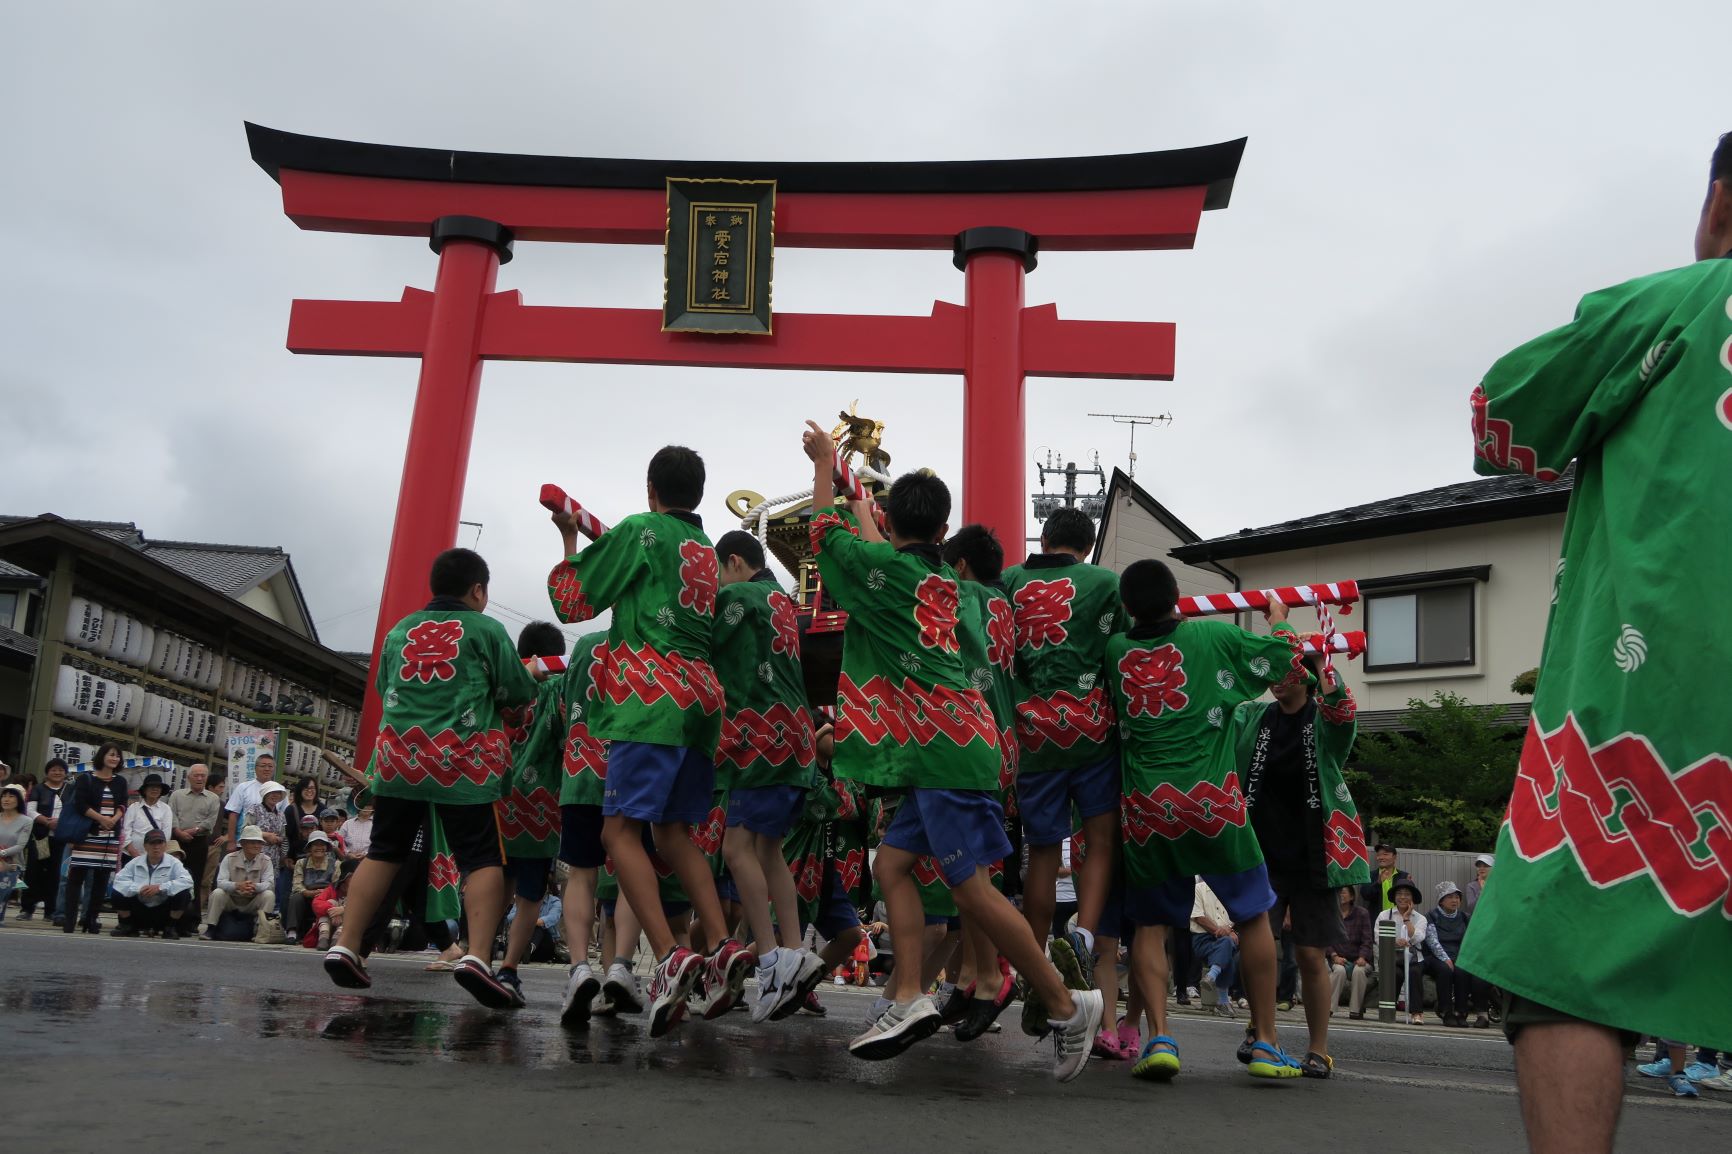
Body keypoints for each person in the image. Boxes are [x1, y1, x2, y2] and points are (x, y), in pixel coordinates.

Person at [1458, 134, 1732, 1154]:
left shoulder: (1675, 302)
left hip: (1661, 702)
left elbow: (1500, 420)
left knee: (1562, 955)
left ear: (1717, 203)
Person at [801, 421, 1102, 1081]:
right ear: (943, 535)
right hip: (960, 747)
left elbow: (822, 532)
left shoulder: (884, 574)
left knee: (974, 892)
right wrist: (855, 497)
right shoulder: (955, 590)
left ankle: (1062, 1002)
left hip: (941, 754)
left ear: (896, 523)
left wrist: (827, 465)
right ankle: (909, 995)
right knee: (894, 866)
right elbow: (882, 554)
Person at [542, 446, 749, 1036]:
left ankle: (671, 953)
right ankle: (722, 946)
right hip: (701, 696)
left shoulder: (641, 531)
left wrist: (568, 541)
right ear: (699, 495)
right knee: (674, 832)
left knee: (617, 831)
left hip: (648, 694)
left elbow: (572, 599)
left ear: (650, 490)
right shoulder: (708, 554)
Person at [1105, 559, 1307, 1083]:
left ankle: (1160, 1039)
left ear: (1127, 607)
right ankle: (1265, 1042)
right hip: (1213, 803)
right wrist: (1280, 619)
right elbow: (1285, 660)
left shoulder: (1115, 652)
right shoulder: (1213, 638)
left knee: (1151, 925)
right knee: (1254, 916)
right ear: (1177, 597)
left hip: (1148, 809)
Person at [322, 547, 545, 1007]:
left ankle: (347, 944)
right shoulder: (486, 629)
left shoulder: (400, 630)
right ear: (478, 589)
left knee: (385, 850)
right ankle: (478, 956)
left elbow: (386, 689)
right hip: (460, 762)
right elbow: (516, 692)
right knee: (481, 857)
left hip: (399, 759)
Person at [1000, 506, 1126, 1023]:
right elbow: (1119, 648)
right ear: (1087, 547)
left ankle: (1035, 963)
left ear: (1045, 538)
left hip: (1033, 735)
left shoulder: (1008, 582)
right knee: (1099, 839)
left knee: (1044, 850)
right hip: (1092, 728)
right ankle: (1083, 933)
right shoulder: (1104, 582)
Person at [1236, 647, 1370, 1078]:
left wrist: (1321, 661)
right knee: (1257, 946)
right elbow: (1219, 714)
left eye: (1287, 671)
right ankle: (1260, 1030)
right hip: (1261, 850)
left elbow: (1343, 711)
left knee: (1312, 954)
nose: (1277, 679)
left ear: (1308, 677)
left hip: (1316, 852)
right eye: (1273, 672)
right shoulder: (1254, 719)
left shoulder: (1323, 721)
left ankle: (1318, 1048)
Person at [710, 528, 825, 1022]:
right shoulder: (782, 598)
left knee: (737, 848)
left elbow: (699, 639)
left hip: (761, 737)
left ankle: (772, 959)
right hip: (796, 735)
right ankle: (794, 952)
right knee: (768, 848)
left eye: (718, 572)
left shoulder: (738, 597)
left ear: (733, 562)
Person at [939, 523, 1024, 1040]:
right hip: (1003, 743)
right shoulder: (1005, 605)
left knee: (971, 874)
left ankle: (992, 976)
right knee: (970, 870)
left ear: (962, 566)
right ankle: (971, 975)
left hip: (971, 741)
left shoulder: (960, 595)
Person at [494, 620, 569, 1009]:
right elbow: (565, 740)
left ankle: (477, 952)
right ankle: (508, 969)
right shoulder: (556, 686)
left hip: (496, 795)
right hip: (540, 804)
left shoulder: (503, 683)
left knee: (494, 879)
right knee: (529, 895)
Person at [64, 742, 130, 934]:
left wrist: (114, 820)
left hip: (109, 836)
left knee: (101, 882)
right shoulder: (86, 779)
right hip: (88, 834)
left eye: (117, 756)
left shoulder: (120, 781)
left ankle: (91, 919)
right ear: (101, 756)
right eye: (111, 754)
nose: (114, 758)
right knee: (76, 878)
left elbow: (123, 804)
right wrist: (101, 818)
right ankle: (70, 919)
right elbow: (80, 804)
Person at [1374, 879, 1439, 1024]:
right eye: (1399, 894)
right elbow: (1378, 938)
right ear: (1394, 897)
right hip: (1391, 956)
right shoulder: (1384, 915)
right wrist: (1394, 941)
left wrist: (1406, 919)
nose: (1402, 897)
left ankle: (1417, 1013)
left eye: (1407, 894)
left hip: (1413, 957)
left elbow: (1417, 938)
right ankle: (1389, 1009)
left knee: (1414, 972)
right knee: (1395, 973)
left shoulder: (1420, 918)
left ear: (1412, 898)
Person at [110, 829, 194, 937]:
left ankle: (170, 928)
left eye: (160, 843)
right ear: (145, 846)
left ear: (165, 846)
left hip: (163, 911)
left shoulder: (174, 863)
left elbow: (187, 881)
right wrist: (139, 889)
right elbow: (118, 881)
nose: (156, 846)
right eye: (152, 843)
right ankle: (127, 926)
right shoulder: (134, 862)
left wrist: (160, 888)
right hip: (139, 910)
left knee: (184, 894)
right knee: (117, 893)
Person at [1426, 882, 1487, 1028]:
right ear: (1441, 900)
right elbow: (1432, 940)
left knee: (1462, 970)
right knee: (1445, 970)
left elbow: (1470, 941)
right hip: (1437, 956)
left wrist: (1463, 958)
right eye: (1450, 897)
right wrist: (1445, 958)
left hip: (1459, 955)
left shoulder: (1465, 917)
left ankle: (1461, 1012)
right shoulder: (1431, 915)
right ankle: (1446, 1011)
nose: (1455, 901)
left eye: (1457, 897)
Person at [21, 758, 73, 920]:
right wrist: (46, 821)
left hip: (61, 839)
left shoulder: (71, 789)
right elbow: (30, 811)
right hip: (41, 838)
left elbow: (75, 809)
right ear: (47, 772)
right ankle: (27, 908)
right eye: (53, 770)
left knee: (56, 874)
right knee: (34, 871)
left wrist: (61, 823)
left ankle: (50, 910)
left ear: (65, 773)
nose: (57, 773)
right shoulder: (38, 789)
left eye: (61, 770)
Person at [204, 825, 276, 936]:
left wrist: (253, 887)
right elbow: (220, 882)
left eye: (259, 842)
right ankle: (211, 928)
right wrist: (237, 885)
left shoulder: (266, 860)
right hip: (232, 900)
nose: (257, 845)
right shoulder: (229, 858)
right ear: (242, 844)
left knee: (269, 895)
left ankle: (260, 931)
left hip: (252, 901)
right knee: (217, 893)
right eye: (252, 842)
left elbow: (270, 884)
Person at [168, 764, 220, 916]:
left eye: (203, 775)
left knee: (196, 880)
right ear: (189, 777)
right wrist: (178, 831)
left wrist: (193, 831)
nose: (199, 778)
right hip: (177, 841)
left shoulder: (213, 798)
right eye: (196, 775)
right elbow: (171, 814)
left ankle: (192, 919)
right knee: (174, 877)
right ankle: (172, 915)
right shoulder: (177, 795)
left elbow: (210, 821)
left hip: (198, 841)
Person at [1189, 880, 1240, 1017]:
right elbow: (1198, 917)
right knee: (1227, 945)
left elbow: (1237, 915)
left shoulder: (1231, 889)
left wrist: (1229, 930)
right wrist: (1221, 931)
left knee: (1227, 943)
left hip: (1227, 937)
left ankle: (1212, 975)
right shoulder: (1198, 888)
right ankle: (1223, 1000)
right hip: (1203, 939)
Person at [1329, 887, 1375, 1019]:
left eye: (1343, 892)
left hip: (1359, 959)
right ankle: (1329, 1008)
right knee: (1339, 971)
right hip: (1337, 958)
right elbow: (1326, 939)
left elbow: (1367, 939)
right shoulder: (1331, 913)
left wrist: (1362, 957)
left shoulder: (1362, 913)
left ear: (1352, 897)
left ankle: (1355, 1010)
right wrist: (1334, 956)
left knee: (1359, 971)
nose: (1340, 895)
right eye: (1338, 893)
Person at [223, 751, 279, 854]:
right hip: (245, 842)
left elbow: (283, 819)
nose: (267, 769)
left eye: (270, 766)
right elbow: (233, 815)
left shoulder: (279, 790)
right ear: (255, 768)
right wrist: (231, 841)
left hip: (270, 847)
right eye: (263, 766)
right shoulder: (244, 787)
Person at [290, 831, 340, 945]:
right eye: (315, 844)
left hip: (325, 896)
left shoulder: (336, 864)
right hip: (307, 894)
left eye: (322, 845)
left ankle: (325, 934)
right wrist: (307, 892)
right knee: (295, 897)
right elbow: (297, 884)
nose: (319, 848)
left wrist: (323, 893)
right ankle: (292, 932)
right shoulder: (301, 863)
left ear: (327, 847)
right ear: (309, 848)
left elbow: (336, 886)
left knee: (331, 901)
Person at [121, 773, 173, 859]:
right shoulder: (134, 807)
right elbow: (125, 829)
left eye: (158, 787)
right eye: (151, 786)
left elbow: (166, 834)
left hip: (154, 856)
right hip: (130, 854)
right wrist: (131, 849)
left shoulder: (166, 809)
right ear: (145, 790)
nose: (155, 789)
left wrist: (155, 852)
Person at [0, 784, 31, 922]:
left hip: (12, 863)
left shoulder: (26, 821)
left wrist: (2, 853)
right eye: (4, 796)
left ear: (19, 800)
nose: (6, 799)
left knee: (3, 893)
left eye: (11, 796)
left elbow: (21, 845)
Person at [1359, 843, 1413, 917]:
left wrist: (1410, 885)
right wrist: (1378, 883)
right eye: (1378, 855)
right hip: (1377, 919)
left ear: (1394, 857)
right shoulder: (1370, 875)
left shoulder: (1404, 876)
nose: (1380, 857)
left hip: (1399, 918)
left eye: (1385, 854)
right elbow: (1365, 895)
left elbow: (1411, 898)